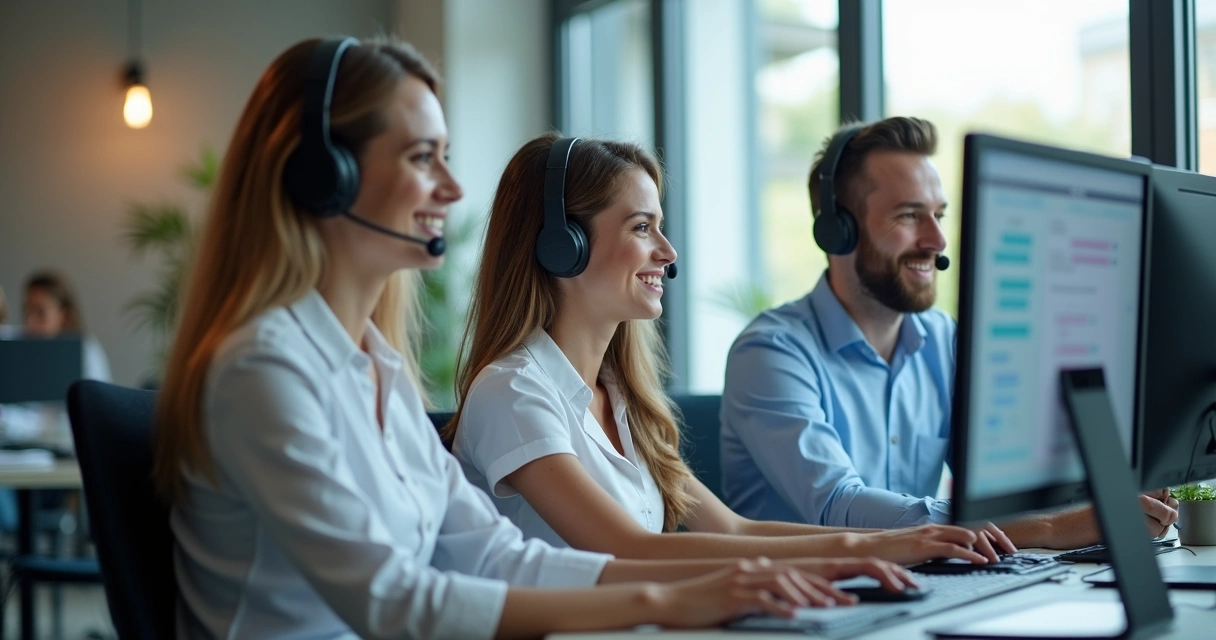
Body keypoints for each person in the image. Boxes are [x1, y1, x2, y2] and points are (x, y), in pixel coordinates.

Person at [151, 37, 915, 640]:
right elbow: (393, 603)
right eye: (424, 159)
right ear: (327, 177)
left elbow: (496, 557)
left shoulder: (374, 369)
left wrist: (705, 592)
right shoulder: (262, 370)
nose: (452, 191)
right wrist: (671, 600)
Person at [447, 132, 1007, 567]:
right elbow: (630, 552)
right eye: (642, 228)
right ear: (561, 247)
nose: (667, 252)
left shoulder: (622, 399)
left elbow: (735, 531)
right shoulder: (513, 391)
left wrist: (905, 543)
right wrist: (867, 552)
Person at [719, 116, 1179, 550]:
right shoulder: (771, 352)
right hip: (806, 606)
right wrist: (1049, 526)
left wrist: (1103, 498)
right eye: (908, 216)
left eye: (939, 214)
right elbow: (838, 506)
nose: (937, 240)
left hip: (924, 586)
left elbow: (1001, 484)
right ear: (837, 231)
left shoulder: (942, 339)